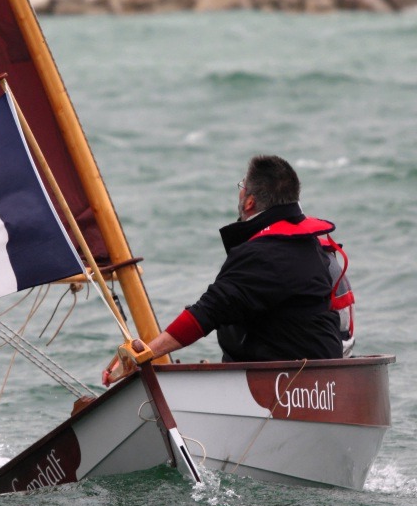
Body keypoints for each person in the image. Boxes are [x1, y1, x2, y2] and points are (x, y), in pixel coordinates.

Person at [104, 155, 350, 384]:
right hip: (329, 380)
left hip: (284, 387)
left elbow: (206, 313)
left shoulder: (263, 254)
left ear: (250, 201)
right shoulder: (313, 245)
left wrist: (144, 355)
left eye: (242, 186)